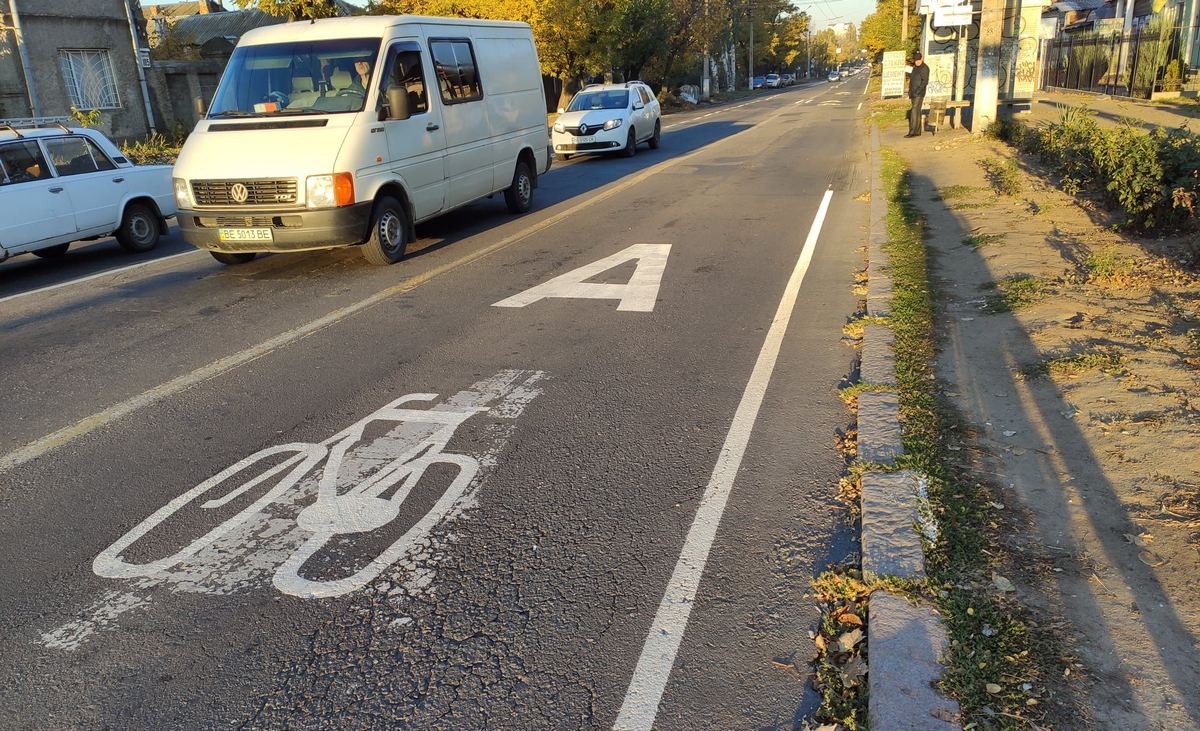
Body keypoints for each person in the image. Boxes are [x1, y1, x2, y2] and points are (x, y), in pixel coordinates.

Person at [905, 52, 929, 138]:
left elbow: (925, 82)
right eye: (916, 61)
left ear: (921, 59)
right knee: (917, 111)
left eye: (918, 60)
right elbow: (912, 81)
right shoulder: (915, 68)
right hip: (913, 93)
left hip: (919, 93)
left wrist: (918, 91)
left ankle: (912, 132)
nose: (917, 62)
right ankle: (917, 131)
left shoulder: (924, 68)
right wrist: (910, 93)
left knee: (914, 111)